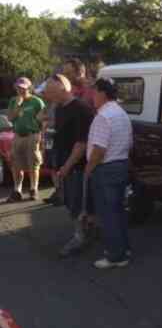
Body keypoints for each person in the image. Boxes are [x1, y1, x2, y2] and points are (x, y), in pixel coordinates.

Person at [43, 74, 95, 257]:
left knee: (78, 203)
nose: (47, 94)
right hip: (64, 163)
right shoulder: (59, 108)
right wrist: (56, 163)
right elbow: (59, 135)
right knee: (72, 202)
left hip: (78, 166)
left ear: (63, 88)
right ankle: (84, 232)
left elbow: (81, 144)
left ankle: (80, 238)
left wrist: (66, 167)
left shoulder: (81, 109)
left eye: (50, 90)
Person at [85, 78, 133, 269]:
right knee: (118, 211)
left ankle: (115, 256)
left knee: (108, 214)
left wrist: (89, 167)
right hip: (121, 165)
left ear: (103, 93)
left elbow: (99, 149)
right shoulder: (121, 113)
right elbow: (129, 143)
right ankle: (123, 249)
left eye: (94, 92)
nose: (92, 96)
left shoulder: (103, 116)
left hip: (105, 169)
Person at [6, 77, 45, 202]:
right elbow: (11, 118)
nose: (20, 90)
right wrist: (17, 105)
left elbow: (43, 120)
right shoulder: (13, 101)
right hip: (18, 135)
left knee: (33, 163)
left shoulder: (37, 101)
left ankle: (34, 189)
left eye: (23, 88)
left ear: (29, 88)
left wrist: (41, 136)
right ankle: (17, 190)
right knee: (16, 164)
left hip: (32, 135)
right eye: (18, 88)